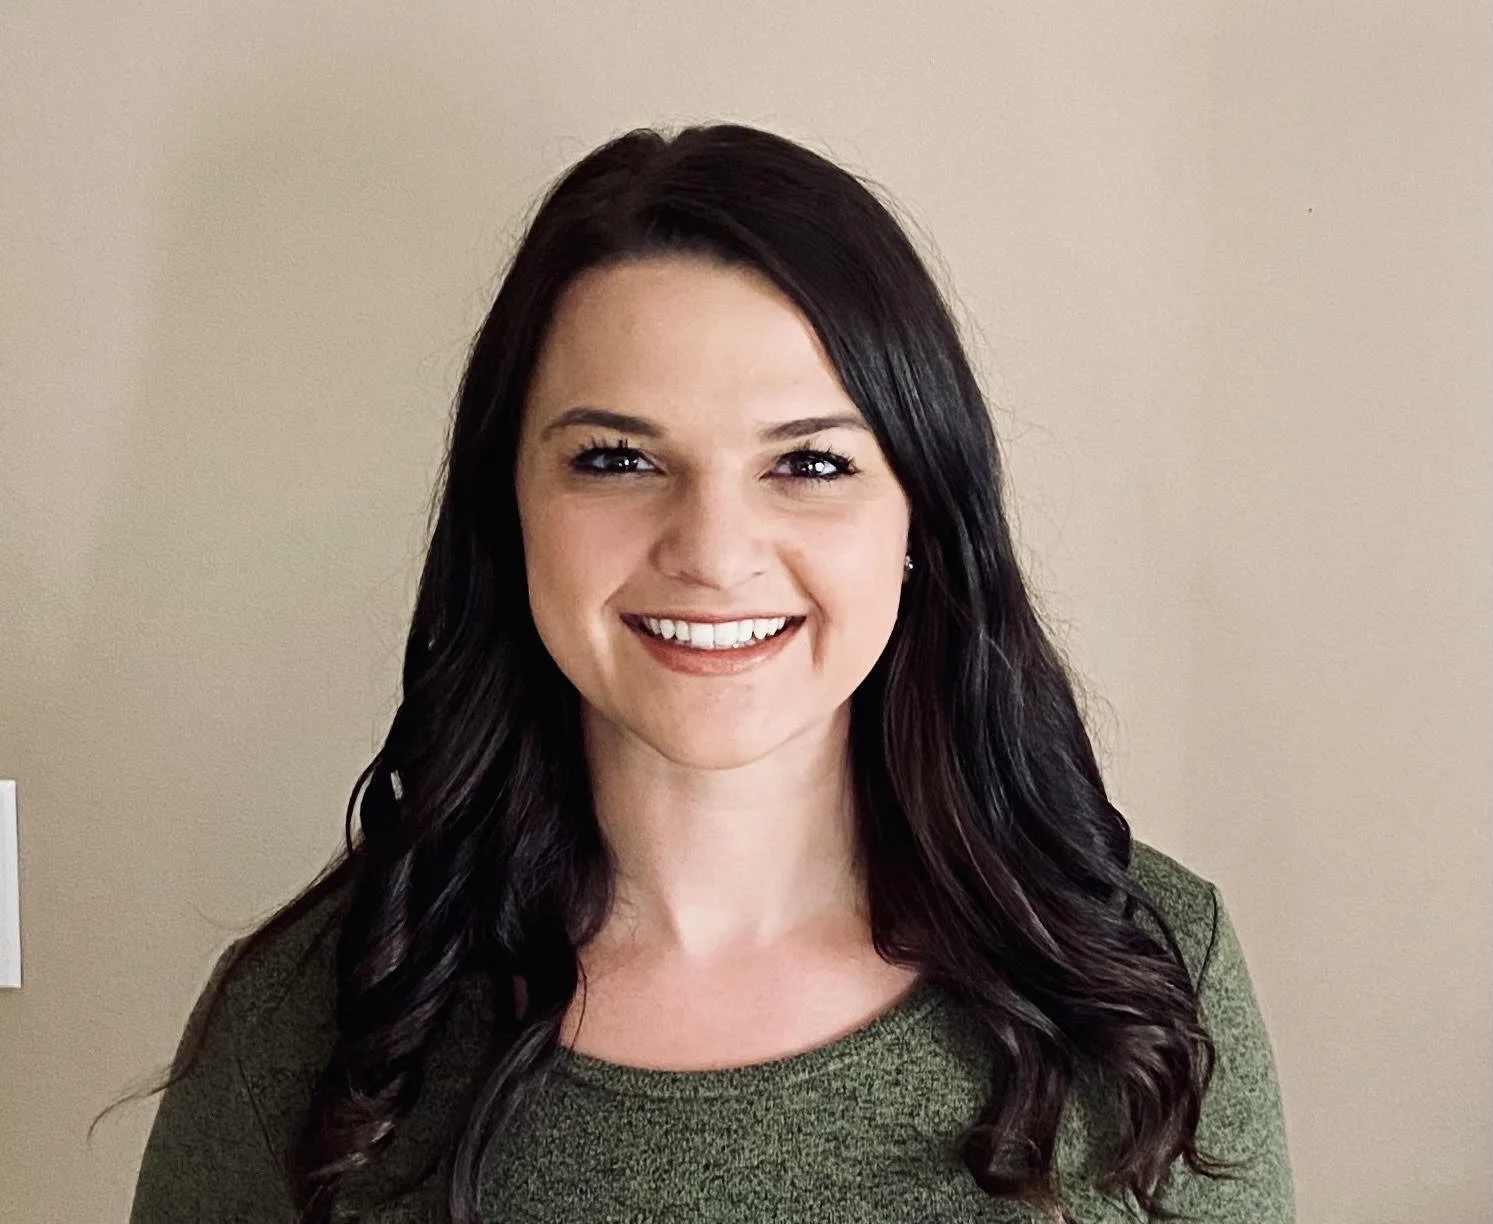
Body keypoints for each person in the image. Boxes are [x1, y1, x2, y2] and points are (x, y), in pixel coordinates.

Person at [126, 123, 1294, 1224]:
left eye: (809, 462)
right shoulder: (308, 1028)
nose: (714, 552)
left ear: (918, 517)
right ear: (510, 507)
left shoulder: (1143, 977)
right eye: (619, 458)